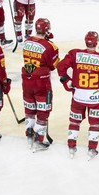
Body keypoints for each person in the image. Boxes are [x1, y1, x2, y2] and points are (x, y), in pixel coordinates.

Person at [58, 32, 99, 159]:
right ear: (96, 43)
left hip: (79, 94)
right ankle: (92, 149)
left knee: (74, 121)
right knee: (95, 123)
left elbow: (60, 66)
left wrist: (66, 80)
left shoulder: (75, 53)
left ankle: (71, 146)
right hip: (95, 96)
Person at [21, 18, 60, 152]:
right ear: (47, 30)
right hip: (41, 83)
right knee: (43, 112)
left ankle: (29, 136)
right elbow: (53, 65)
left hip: (27, 80)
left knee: (30, 110)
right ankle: (39, 139)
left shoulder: (26, 42)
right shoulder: (50, 46)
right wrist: (49, 43)